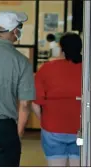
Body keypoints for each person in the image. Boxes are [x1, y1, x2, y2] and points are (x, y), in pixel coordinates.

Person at [0, 11, 35, 166]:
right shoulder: (22, 61)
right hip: (6, 127)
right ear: (15, 31)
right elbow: (25, 104)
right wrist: (17, 135)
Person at [32, 33, 82, 167]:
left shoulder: (47, 68)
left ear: (61, 48)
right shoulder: (86, 69)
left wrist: (44, 121)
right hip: (80, 130)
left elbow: (36, 103)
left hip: (53, 128)